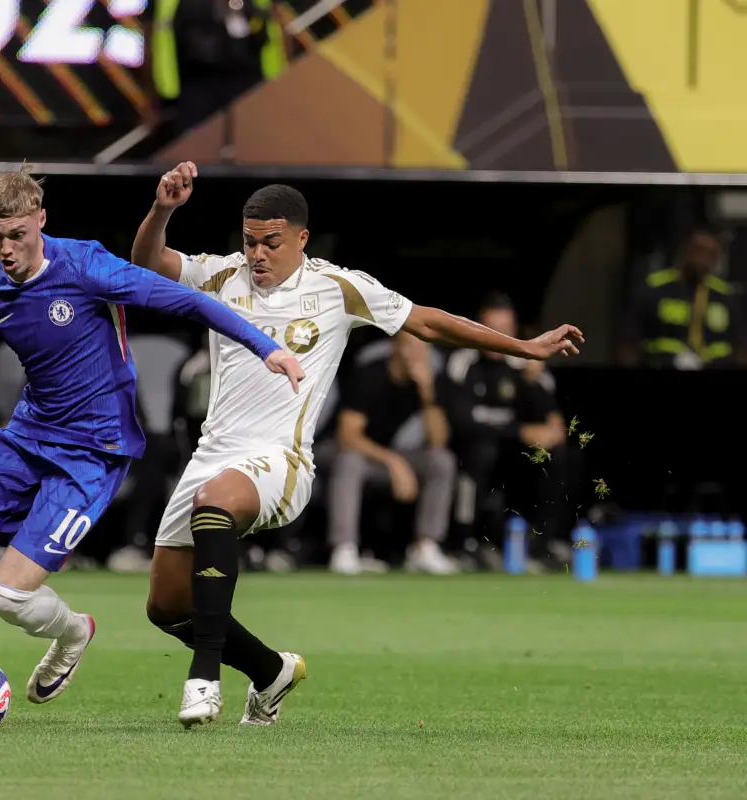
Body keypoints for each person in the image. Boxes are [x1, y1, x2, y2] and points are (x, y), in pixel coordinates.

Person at [0, 165, 303, 728]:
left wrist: (264, 349)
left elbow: (189, 304)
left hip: (93, 452)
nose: (6, 250)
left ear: (40, 220)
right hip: (27, 435)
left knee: (7, 598)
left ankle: (73, 632)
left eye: (17, 236)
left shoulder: (86, 265)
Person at [131, 161, 583, 728]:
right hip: (212, 456)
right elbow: (147, 263)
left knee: (217, 502)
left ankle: (204, 679)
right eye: (250, 243)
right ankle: (270, 671)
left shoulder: (337, 288)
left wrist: (523, 347)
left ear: (301, 238)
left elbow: (428, 322)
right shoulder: (222, 276)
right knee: (166, 606)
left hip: (281, 459)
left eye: (271, 243)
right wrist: (163, 209)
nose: (258, 256)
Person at [442, 293, 573, 566]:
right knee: (480, 452)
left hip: (516, 457)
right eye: (490, 329)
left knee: (559, 456)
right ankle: (466, 544)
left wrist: (533, 383)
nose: (496, 336)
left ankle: (545, 544)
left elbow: (556, 427)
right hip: (475, 451)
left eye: (504, 330)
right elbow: (463, 425)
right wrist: (520, 432)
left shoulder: (526, 363)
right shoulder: (463, 363)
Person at [328, 332, 457, 576]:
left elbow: (438, 440)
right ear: (395, 347)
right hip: (360, 454)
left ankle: (425, 547)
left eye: (424, 350)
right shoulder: (371, 374)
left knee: (441, 461)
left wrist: (427, 392)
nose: (417, 356)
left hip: (399, 458)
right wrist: (394, 462)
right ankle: (344, 549)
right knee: (349, 461)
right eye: (410, 347)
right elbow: (348, 436)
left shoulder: (430, 381)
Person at [618, 228, 747, 369]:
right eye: (698, 251)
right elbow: (629, 341)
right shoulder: (655, 288)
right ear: (685, 251)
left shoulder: (725, 296)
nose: (702, 260)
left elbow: (741, 345)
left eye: (710, 255)